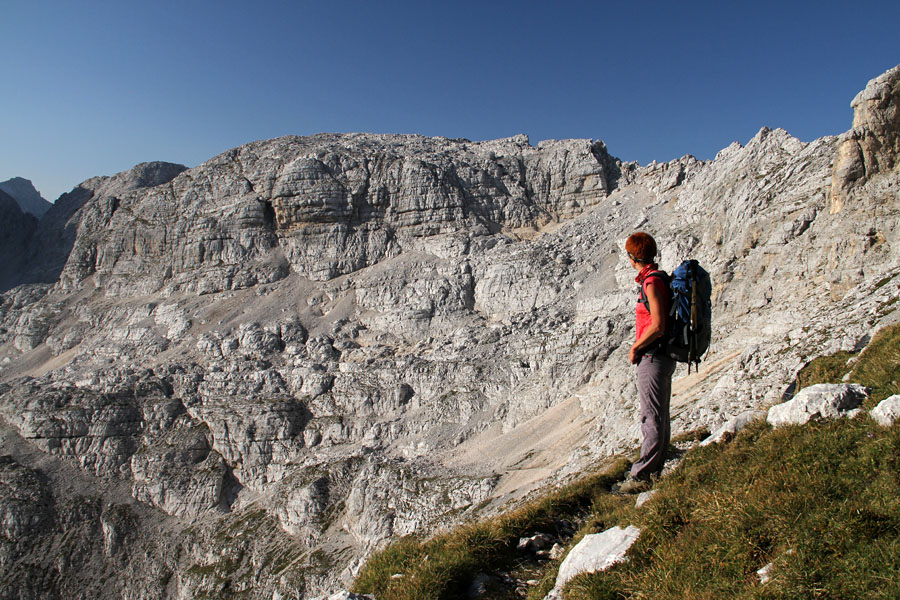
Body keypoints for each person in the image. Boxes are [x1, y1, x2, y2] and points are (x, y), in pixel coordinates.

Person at [618, 232, 676, 494]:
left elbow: (658, 324)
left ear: (632, 258)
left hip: (653, 356)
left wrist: (636, 347)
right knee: (659, 414)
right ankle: (656, 465)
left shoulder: (651, 283)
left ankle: (642, 475)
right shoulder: (658, 278)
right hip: (660, 356)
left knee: (651, 415)